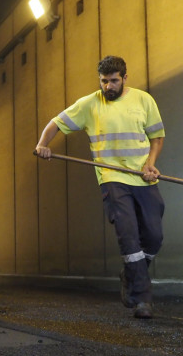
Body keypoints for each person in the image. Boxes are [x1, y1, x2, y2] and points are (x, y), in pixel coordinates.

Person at [34, 55, 165, 319]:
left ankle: (130, 272)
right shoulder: (89, 104)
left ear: (125, 78)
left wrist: (150, 164)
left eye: (113, 81)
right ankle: (142, 300)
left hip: (142, 177)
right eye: (104, 81)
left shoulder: (143, 100)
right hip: (111, 178)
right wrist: (42, 145)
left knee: (154, 236)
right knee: (128, 235)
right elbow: (55, 123)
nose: (108, 87)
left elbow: (157, 137)